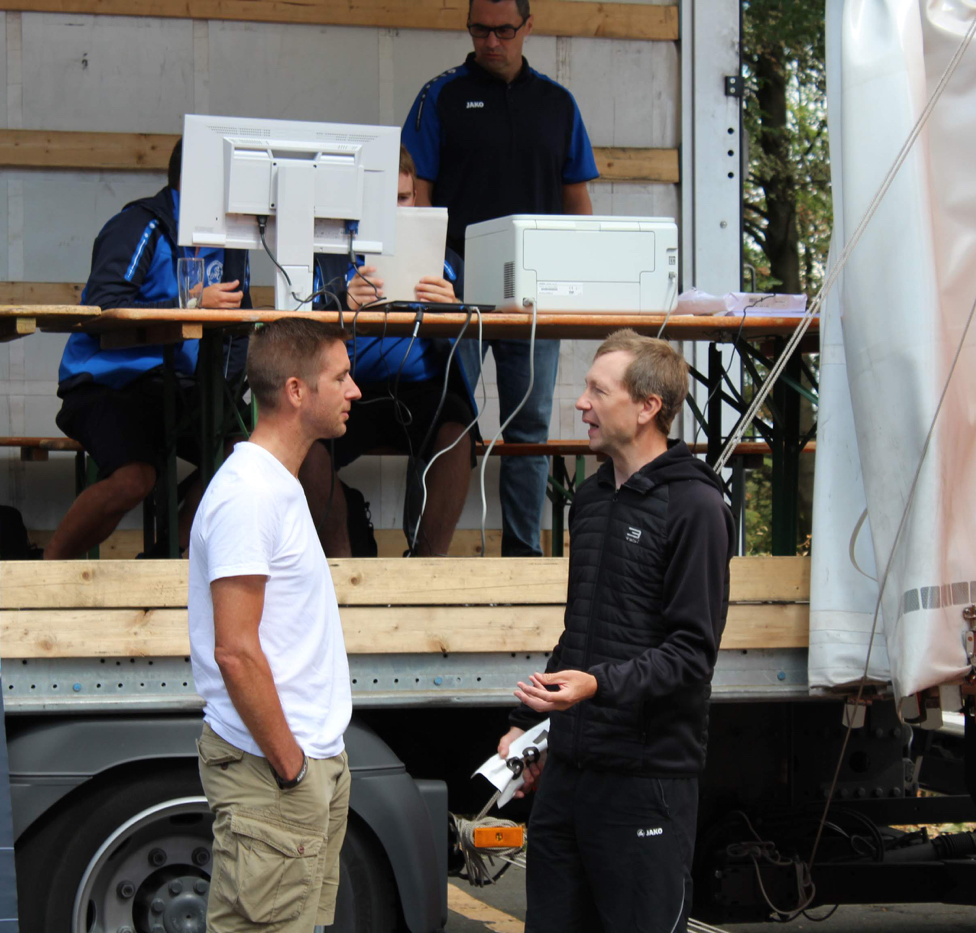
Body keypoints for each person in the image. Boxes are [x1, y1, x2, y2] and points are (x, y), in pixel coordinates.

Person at [499, 330, 735, 931]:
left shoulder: (696, 507)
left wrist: (596, 686)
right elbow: (580, 631)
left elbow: (691, 655)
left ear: (648, 406)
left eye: (598, 391)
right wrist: (528, 726)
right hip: (569, 778)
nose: (581, 403)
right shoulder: (592, 498)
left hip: (644, 782)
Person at [402, 0, 599, 556]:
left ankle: (523, 560)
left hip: (535, 284)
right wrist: (432, 276)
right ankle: (423, 558)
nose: (492, 42)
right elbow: (416, 197)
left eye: (504, 30)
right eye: (480, 30)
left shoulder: (558, 105)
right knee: (444, 419)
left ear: (528, 27)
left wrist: (577, 284)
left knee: (529, 426)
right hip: (456, 280)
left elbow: (578, 204)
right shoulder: (440, 95)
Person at [188, 318, 360, 932]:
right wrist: (292, 769)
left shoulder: (276, 486)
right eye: (340, 377)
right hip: (276, 772)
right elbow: (235, 652)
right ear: (295, 391)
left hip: (303, 765)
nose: (354, 390)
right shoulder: (250, 495)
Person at [44, 139, 251, 560]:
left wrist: (223, 389)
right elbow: (103, 304)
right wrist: (187, 306)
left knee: (250, 458)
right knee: (134, 479)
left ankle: (164, 560)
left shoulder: (233, 243)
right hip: (106, 381)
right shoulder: (142, 224)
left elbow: (237, 326)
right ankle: (45, 569)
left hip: (181, 386)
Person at [300, 147, 476, 556]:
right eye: (385, 200)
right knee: (305, 443)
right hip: (347, 388)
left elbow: (478, 333)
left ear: (415, 198)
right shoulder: (327, 256)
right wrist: (341, 307)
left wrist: (455, 311)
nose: (396, 209)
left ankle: (427, 568)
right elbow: (299, 331)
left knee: (458, 431)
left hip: (419, 391)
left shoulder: (443, 260)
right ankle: (340, 567)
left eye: (403, 197)